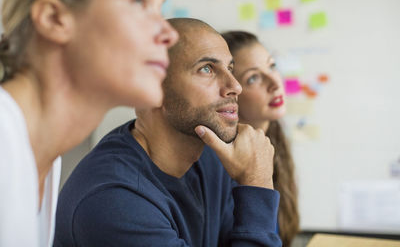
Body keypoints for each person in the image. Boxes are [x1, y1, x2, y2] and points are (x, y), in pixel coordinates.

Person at [54, 18, 282, 247]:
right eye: (207, 69)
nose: (235, 86)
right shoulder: (114, 200)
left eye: (230, 68)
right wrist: (257, 183)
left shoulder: (211, 160)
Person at [0, 0, 178, 246]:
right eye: (139, 1)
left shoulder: (44, 159)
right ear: (54, 18)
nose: (170, 34)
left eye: (160, 7)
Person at [221, 31, 299, 247]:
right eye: (253, 78)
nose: (275, 82)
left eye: (272, 66)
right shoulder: (222, 165)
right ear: (231, 92)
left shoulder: (275, 139)